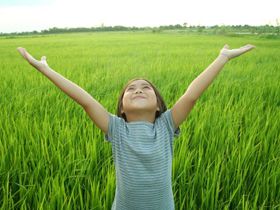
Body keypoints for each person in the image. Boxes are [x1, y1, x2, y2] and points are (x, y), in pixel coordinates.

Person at [17, 43, 255, 209]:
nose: (138, 89)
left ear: (159, 106)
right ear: (121, 108)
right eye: (130, 89)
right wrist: (45, 70)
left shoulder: (165, 126)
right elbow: (86, 100)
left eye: (145, 87)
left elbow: (191, 95)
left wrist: (222, 57)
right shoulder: (117, 129)